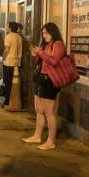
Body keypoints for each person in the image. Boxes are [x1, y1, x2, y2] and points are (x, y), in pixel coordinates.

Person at [22, 22, 65, 150]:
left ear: (53, 32)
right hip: (41, 79)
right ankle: (37, 136)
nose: (44, 35)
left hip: (50, 81)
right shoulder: (46, 45)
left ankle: (51, 141)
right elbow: (38, 62)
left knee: (49, 113)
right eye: (43, 33)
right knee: (39, 110)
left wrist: (40, 53)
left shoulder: (58, 45)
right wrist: (35, 54)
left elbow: (55, 62)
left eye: (46, 33)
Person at [2, 22, 22, 107]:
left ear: (10, 28)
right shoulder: (19, 37)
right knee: (15, 83)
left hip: (9, 62)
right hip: (18, 63)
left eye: (7, 26)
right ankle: (14, 100)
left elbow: (7, 50)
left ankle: (7, 101)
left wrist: (3, 58)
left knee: (8, 82)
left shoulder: (8, 36)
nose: (6, 27)